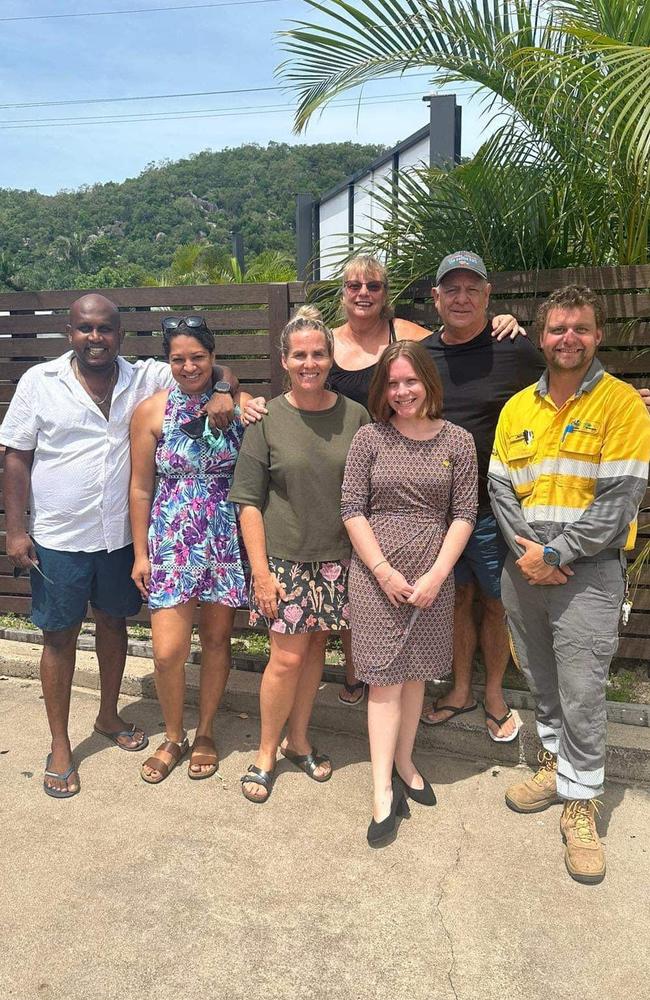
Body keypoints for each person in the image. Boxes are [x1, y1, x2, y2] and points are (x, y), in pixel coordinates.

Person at [0, 294, 240, 798]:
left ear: (119, 335)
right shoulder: (38, 383)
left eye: (105, 329)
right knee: (59, 636)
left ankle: (109, 714)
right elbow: (17, 456)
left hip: (118, 538)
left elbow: (204, 367)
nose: (95, 338)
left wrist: (222, 386)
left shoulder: (144, 377)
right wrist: (16, 529)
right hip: (60, 536)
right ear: (70, 332)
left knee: (113, 624)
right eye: (85, 329)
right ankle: (61, 745)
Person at [488, 285, 650, 884]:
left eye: (579, 328)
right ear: (541, 335)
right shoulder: (517, 409)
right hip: (525, 567)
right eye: (557, 329)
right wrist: (531, 554)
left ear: (597, 334)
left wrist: (556, 552)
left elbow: (622, 497)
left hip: (589, 572)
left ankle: (582, 802)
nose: (568, 339)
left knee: (582, 688)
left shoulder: (621, 405)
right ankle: (556, 767)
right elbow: (500, 486)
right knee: (541, 676)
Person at [229, 308, 370, 803]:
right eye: (300, 355)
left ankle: (299, 739)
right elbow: (248, 501)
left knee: (314, 651)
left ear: (331, 358)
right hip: (285, 558)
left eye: (318, 353)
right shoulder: (266, 419)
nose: (310, 363)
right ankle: (266, 751)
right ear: (284, 360)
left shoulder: (356, 415)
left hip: (338, 557)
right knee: (285, 658)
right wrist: (260, 574)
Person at [341, 341, 477, 845]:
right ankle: (381, 790)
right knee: (383, 681)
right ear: (383, 388)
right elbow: (352, 509)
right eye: (392, 383)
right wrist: (382, 571)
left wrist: (438, 574)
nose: (402, 392)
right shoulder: (369, 439)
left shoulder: (458, 441)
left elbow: (464, 513)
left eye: (410, 382)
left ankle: (405, 761)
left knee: (416, 672)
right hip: (378, 576)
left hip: (432, 576)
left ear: (428, 383)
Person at [419, 251, 545, 739]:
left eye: (473, 288)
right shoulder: (423, 355)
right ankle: (459, 689)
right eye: (452, 289)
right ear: (436, 299)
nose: (462, 297)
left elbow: (567, 380)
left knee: (496, 602)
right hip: (437, 510)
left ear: (489, 296)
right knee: (455, 598)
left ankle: (493, 692)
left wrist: (626, 398)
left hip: (494, 508)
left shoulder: (514, 350)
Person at [129, 317, 250, 783]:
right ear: (167, 361)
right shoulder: (150, 412)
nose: (188, 366)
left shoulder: (236, 405)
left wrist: (227, 390)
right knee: (167, 651)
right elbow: (140, 488)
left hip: (223, 533)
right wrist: (141, 553)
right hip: (172, 537)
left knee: (218, 640)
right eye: (178, 358)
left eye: (198, 357)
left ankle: (205, 731)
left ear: (213, 356)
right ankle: (173, 734)